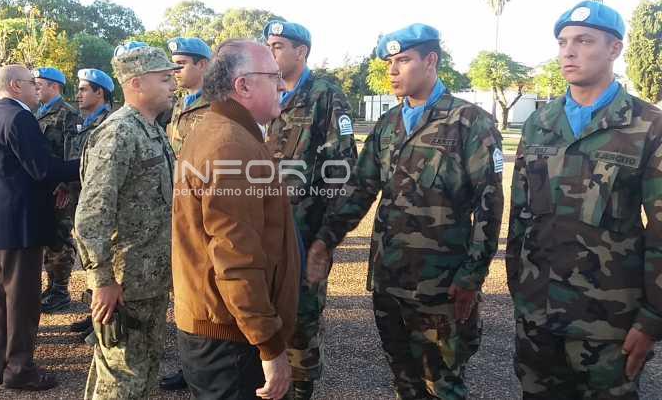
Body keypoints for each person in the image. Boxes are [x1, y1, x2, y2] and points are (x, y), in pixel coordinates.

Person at [312, 24, 504, 399]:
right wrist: (325, 240)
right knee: (404, 381)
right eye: (390, 62)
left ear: (430, 60)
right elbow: (361, 189)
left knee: (443, 384)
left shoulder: (468, 122)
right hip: (389, 278)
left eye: (403, 60)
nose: (393, 70)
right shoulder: (388, 125)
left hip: (440, 285)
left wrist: (472, 276)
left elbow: (489, 204)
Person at [507, 0, 662, 400]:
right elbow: (521, 216)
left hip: (608, 322)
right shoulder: (539, 124)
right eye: (563, 42)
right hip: (538, 316)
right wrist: (519, 292)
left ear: (614, 49)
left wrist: (652, 318)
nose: (568, 52)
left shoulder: (648, 126)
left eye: (584, 40)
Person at [172, 39, 300, 400]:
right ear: (242, 85)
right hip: (231, 341)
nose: (282, 85)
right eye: (273, 76)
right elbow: (235, 257)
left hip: (227, 330)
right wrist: (269, 345)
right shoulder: (230, 144)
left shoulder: (225, 131)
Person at [74, 45, 180, 399]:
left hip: (148, 280)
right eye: (164, 79)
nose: (173, 85)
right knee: (121, 381)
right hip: (123, 286)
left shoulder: (150, 129)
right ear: (136, 83)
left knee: (141, 373)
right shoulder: (119, 133)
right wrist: (102, 281)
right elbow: (92, 214)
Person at [263, 20, 358, 399]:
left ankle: (300, 391)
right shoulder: (262, 92)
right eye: (268, 45)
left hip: (304, 232)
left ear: (301, 51)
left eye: (278, 46)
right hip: (262, 232)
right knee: (262, 313)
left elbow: (342, 169)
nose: (270, 52)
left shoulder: (325, 95)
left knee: (301, 322)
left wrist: (326, 240)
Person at [0, 64, 79, 391]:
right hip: (19, 224)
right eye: (32, 83)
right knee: (23, 301)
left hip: (0, 221)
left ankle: (2, 364)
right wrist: (85, 164)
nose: (37, 88)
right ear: (15, 86)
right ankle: (20, 369)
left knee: (3, 298)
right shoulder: (19, 118)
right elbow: (42, 169)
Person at [159, 35, 212, 392]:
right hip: (177, 210)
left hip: (204, 214)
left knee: (206, 291)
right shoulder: (179, 104)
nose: (174, 71)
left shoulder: (219, 106)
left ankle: (205, 367)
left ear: (203, 65)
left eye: (180, 65)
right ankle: (189, 364)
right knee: (183, 291)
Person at [64, 67, 115, 342]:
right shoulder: (84, 122)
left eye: (84, 89)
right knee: (89, 260)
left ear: (100, 92)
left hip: (100, 207)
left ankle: (106, 319)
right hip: (80, 200)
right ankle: (94, 312)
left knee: (104, 260)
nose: (78, 94)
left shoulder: (110, 124)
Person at [34, 67, 80, 313]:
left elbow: (72, 152)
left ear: (54, 86)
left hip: (61, 188)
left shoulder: (67, 114)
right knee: (47, 236)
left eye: (39, 84)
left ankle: (61, 290)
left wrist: (65, 185)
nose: (35, 88)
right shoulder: (38, 112)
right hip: (44, 186)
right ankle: (51, 286)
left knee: (60, 238)